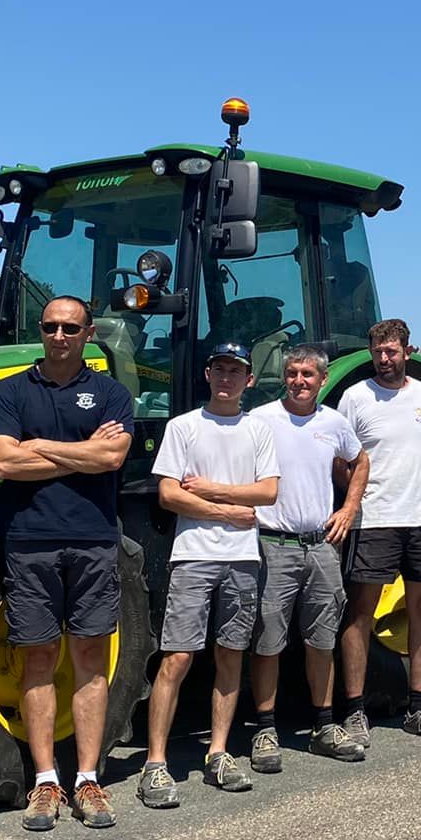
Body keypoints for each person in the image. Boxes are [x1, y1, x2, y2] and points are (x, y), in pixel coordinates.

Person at [0, 295, 135, 833]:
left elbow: (111, 458)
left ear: (89, 333)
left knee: (91, 656)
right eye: (50, 326)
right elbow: (2, 461)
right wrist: (76, 451)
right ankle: (46, 781)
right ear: (40, 332)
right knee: (38, 658)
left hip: (92, 539)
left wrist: (38, 447)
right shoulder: (9, 392)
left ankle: (87, 776)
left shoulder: (111, 392)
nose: (60, 335)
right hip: (30, 540)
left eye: (70, 327)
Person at [141, 342, 280, 806]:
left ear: (248, 379)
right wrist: (229, 512)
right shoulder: (183, 427)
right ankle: (155, 763)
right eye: (219, 369)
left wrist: (212, 495)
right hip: (193, 556)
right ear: (207, 374)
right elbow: (168, 494)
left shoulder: (258, 430)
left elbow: (267, 492)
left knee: (230, 655)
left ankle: (217, 752)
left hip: (243, 558)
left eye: (235, 371)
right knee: (177, 658)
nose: (227, 377)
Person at [245, 345, 370, 769]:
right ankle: (264, 729)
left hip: (320, 546)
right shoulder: (261, 419)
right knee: (267, 641)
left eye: (308, 375)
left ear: (321, 379)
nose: (300, 381)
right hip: (272, 544)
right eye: (293, 373)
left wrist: (349, 508)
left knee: (322, 639)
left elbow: (361, 459)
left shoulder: (334, 422)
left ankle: (323, 725)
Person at [336, 319, 421, 743]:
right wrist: (355, 497)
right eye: (378, 352)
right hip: (374, 520)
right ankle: (354, 710)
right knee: (360, 615)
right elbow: (341, 459)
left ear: (407, 351)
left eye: (392, 351)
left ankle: (419, 707)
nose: (384, 360)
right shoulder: (354, 398)